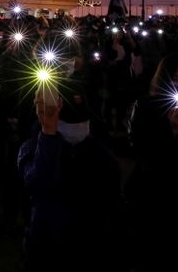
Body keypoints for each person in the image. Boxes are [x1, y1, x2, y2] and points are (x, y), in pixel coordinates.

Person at [18, 85, 123, 272]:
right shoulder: (34, 147)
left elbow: (113, 204)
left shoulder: (101, 154)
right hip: (45, 246)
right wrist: (48, 133)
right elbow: (39, 182)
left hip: (90, 248)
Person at [127, 54, 178, 271]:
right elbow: (139, 148)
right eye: (177, 79)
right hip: (153, 197)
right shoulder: (146, 107)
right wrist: (170, 131)